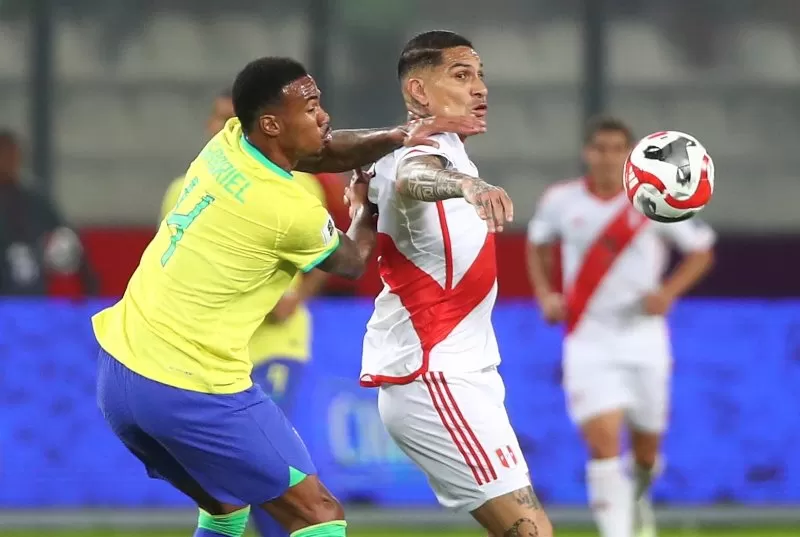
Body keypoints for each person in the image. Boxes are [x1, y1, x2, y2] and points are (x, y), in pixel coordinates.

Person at [93, 56, 484, 537]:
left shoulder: (227, 144)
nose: (324, 116)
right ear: (273, 122)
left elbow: (320, 152)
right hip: (188, 385)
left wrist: (398, 136)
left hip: (120, 377)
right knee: (318, 514)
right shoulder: (285, 209)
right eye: (311, 106)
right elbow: (351, 262)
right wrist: (365, 203)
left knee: (226, 509)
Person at [352, 31, 553, 537]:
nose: (480, 89)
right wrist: (466, 186)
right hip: (433, 372)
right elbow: (412, 178)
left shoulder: (429, 148)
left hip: (463, 371)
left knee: (530, 530)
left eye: (481, 75)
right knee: (529, 532)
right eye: (462, 76)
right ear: (420, 91)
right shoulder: (419, 153)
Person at [526, 116, 715, 537]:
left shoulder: (654, 198)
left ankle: (640, 497)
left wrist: (667, 292)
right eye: (600, 148)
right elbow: (537, 244)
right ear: (586, 152)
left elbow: (701, 251)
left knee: (646, 452)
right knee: (602, 444)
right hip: (588, 340)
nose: (607, 157)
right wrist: (545, 294)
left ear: (630, 156)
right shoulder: (561, 200)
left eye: (617, 149)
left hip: (644, 340)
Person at [158, 90, 331, 537]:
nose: (223, 129)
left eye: (231, 120)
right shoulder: (186, 186)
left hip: (278, 343)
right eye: (218, 119)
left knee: (264, 466)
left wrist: (298, 297)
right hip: (212, 354)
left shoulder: (298, 183)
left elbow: (328, 261)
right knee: (235, 478)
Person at [0, 130, 95, 296]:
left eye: (12, 154)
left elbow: (68, 238)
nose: (7, 161)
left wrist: (89, 286)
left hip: (34, 297)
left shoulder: (35, 200)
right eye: (3, 154)